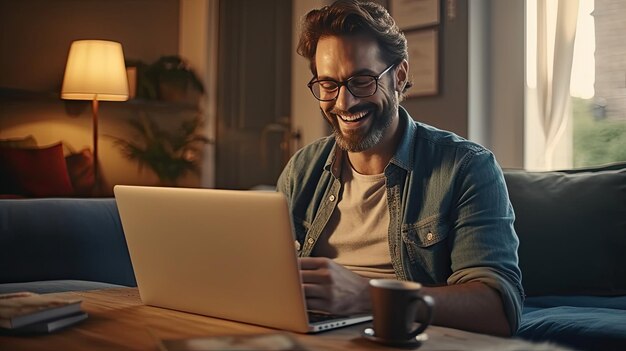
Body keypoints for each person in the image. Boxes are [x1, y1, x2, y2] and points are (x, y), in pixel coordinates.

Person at [277, 0, 523, 337]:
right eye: (328, 85)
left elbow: (498, 310)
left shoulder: (467, 167)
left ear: (399, 76)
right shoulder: (302, 169)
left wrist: (369, 296)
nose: (343, 103)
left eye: (361, 81)